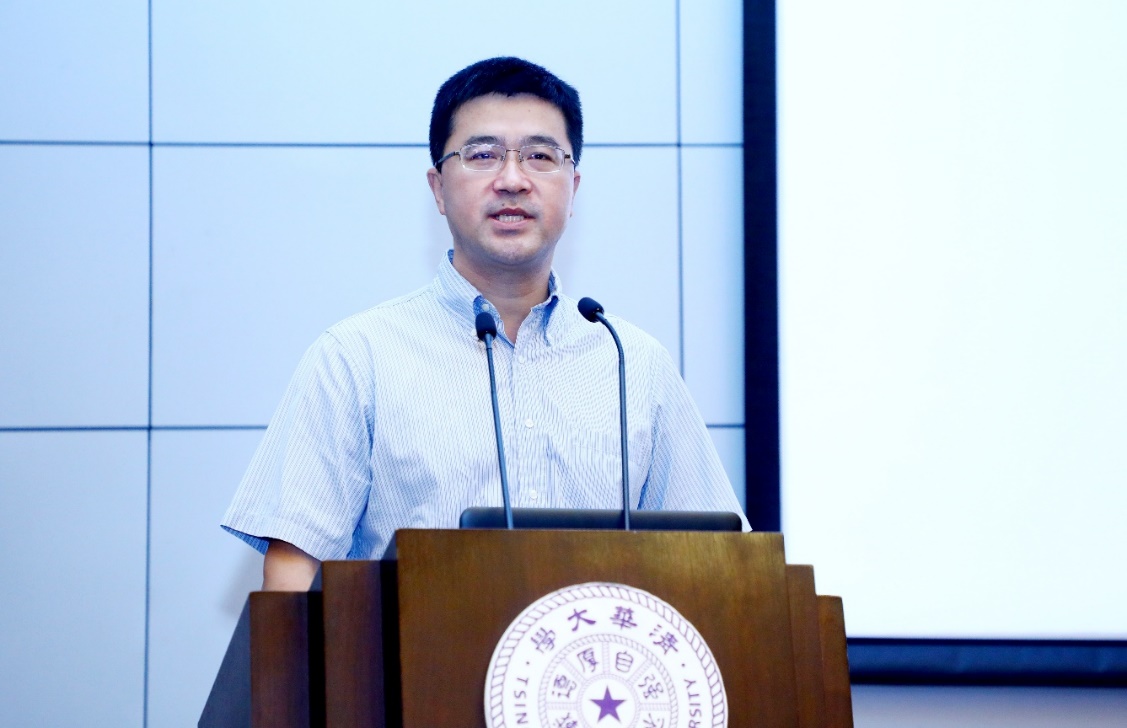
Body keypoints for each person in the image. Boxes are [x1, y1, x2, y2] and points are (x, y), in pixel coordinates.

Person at [222, 57, 749, 590]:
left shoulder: (631, 361)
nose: (513, 180)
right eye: (482, 155)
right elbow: (293, 574)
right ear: (438, 187)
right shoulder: (357, 357)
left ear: (573, 187)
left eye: (540, 156)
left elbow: (718, 562)